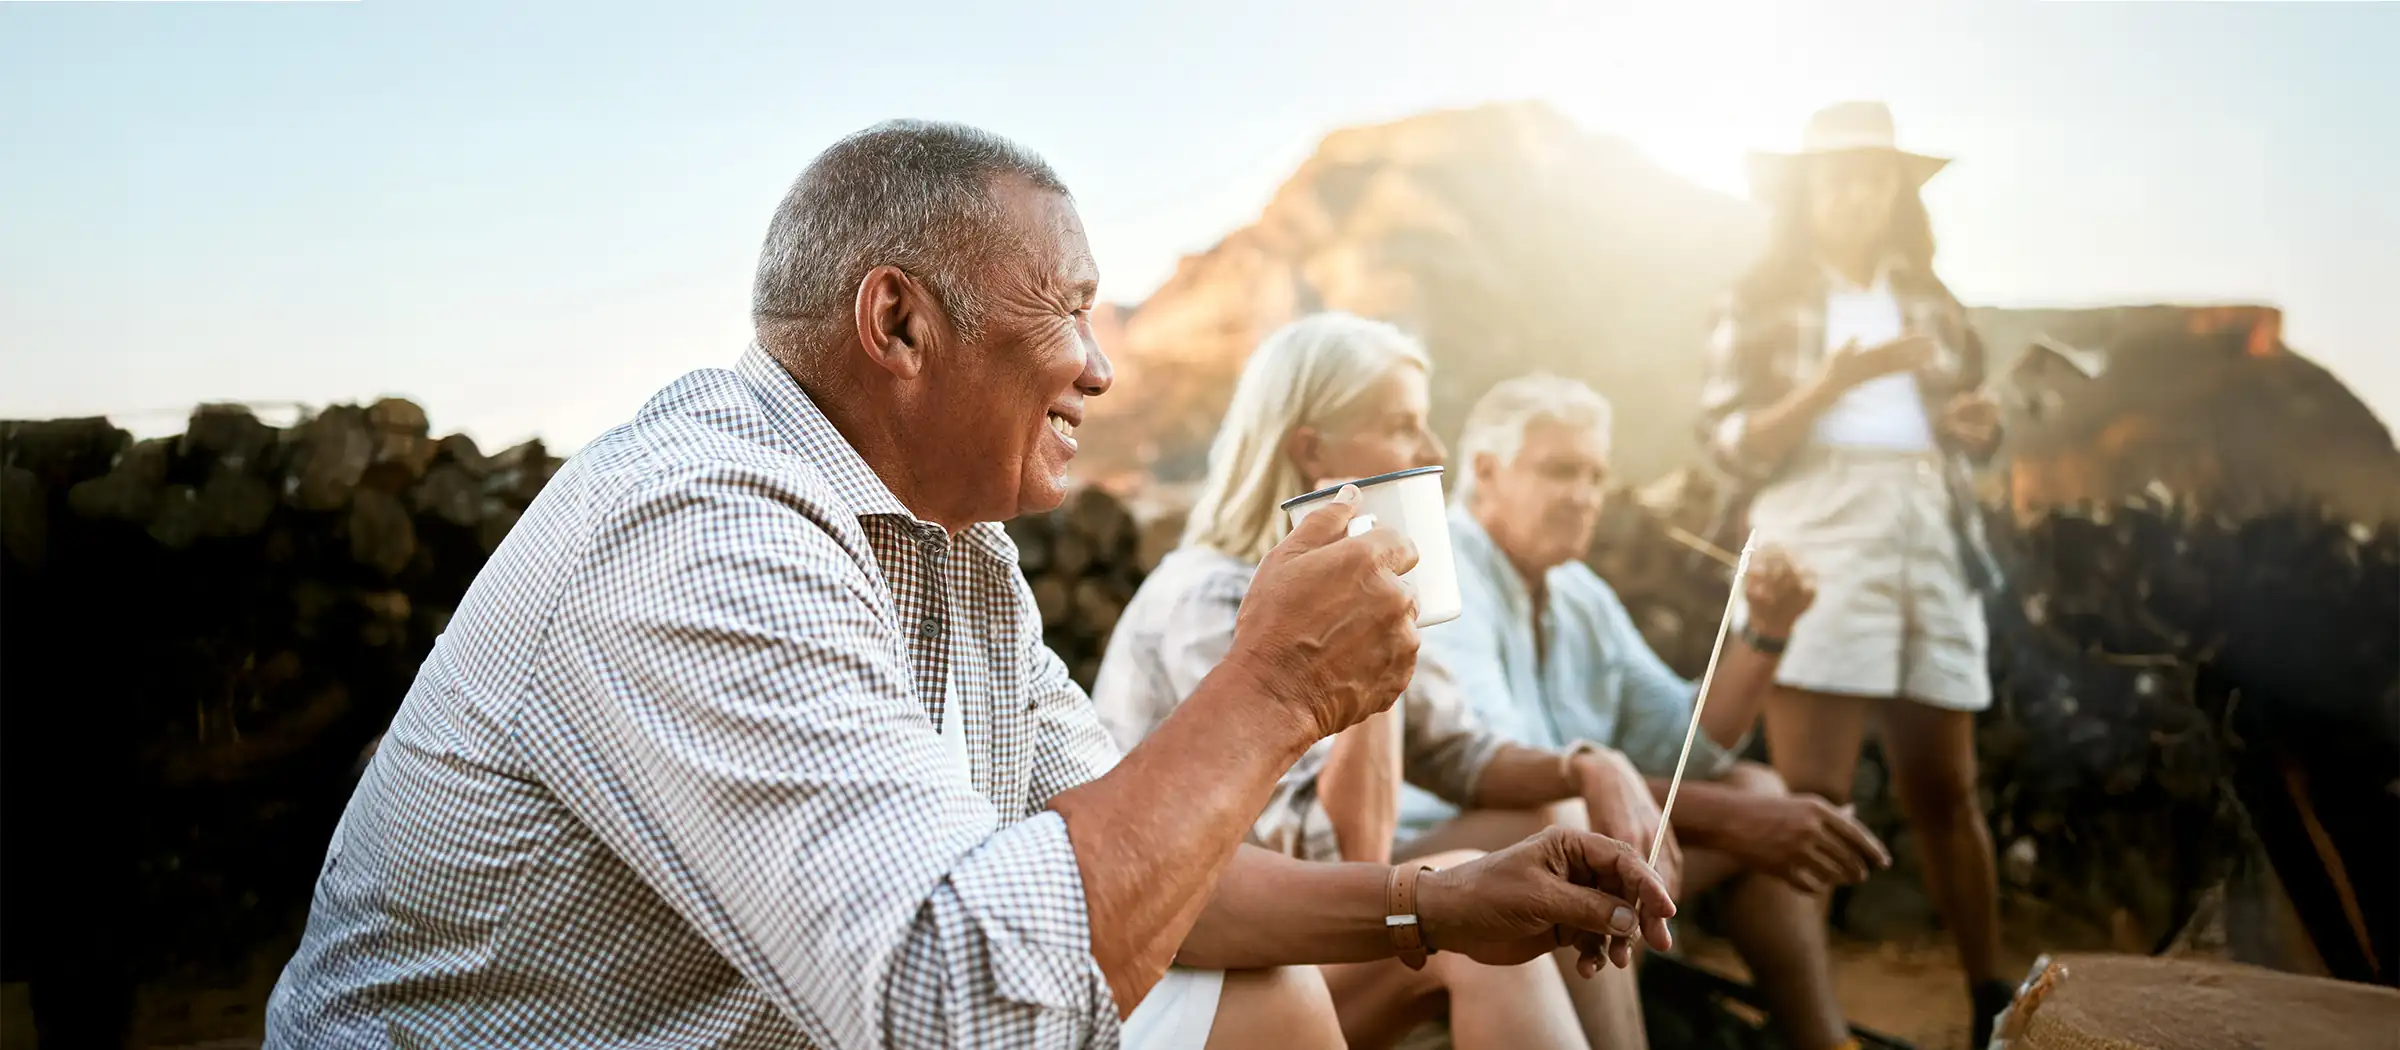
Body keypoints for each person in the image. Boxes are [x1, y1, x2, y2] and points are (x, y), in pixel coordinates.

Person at [263, 120, 1677, 1050]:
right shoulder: (700, 530)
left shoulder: (955, 547)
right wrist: (1277, 686)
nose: (1103, 363)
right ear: (899, 321)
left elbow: (1133, 868)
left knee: (1269, 992)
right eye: (1069, 307)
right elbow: (956, 1007)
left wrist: (1438, 901)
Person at [1094, 313, 1676, 1050]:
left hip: (1289, 933)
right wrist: (1369, 629)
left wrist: (1588, 764)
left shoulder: (1346, 589)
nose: (1432, 453)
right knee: (1481, 918)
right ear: (1314, 453)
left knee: (1561, 822)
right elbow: (1348, 854)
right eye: (1404, 427)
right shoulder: (1212, 601)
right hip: (1207, 968)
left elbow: (1459, 753)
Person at [1398, 374, 1888, 1050]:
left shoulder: (1577, 591)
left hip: (1560, 819)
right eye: (1560, 471)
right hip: (1438, 856)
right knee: (1574, 842)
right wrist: (1739, 820)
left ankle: (1823, 1041)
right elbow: (1521, 775)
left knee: (1756, 787)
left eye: (1596, 476)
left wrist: (1765, 632)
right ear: (1486, 471)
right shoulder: (1445, 576)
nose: (1583, 496)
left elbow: (1679, 741)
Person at [1695, 100, 2011, 1045]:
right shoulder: (1757, 300)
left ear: (1894, 192)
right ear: (1805, 192)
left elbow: (1968, 418)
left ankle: (1992, 1000)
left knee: (1946, 788)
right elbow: (1727, 445)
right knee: (1814, 798)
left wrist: (1975, 427)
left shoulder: (1931, 297)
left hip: (1927, 528)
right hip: (1818, 527)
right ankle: (1811, 1015)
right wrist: (1830, 385)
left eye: (1872, 178)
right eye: (1836, 178)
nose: (1855, 195)